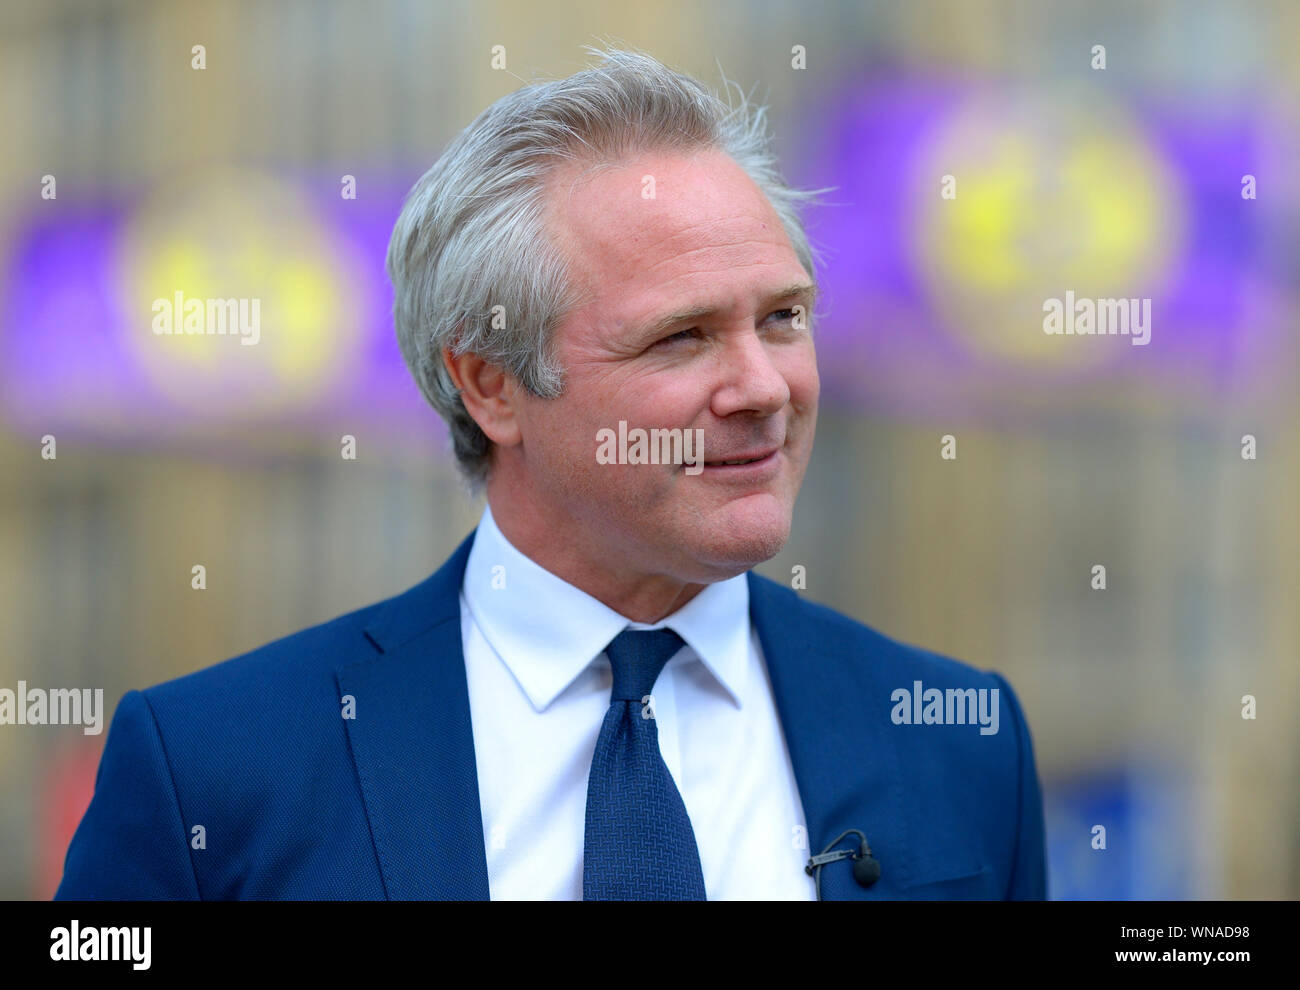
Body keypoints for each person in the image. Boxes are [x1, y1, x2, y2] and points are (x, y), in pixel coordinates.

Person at [56, 46, 1046, 901]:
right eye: (681, 337)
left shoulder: (959, 741)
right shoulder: (214, 768)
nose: (762, 387)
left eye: (782, 318)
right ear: (490, 384)